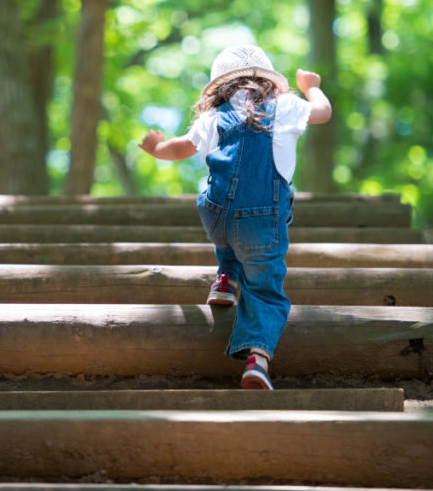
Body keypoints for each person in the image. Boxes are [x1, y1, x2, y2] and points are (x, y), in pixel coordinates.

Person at [138, 44, 332, 390]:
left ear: (221, 88)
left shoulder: (212, 117)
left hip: (216, 218)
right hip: (262, 222)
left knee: (229, 229)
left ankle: (225, 280)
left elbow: (180, 148)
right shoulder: (286, 107)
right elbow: (322, 112)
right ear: (269, 84)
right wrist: (310, 86)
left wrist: (154, 148)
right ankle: (257, 359)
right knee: (265, 289)